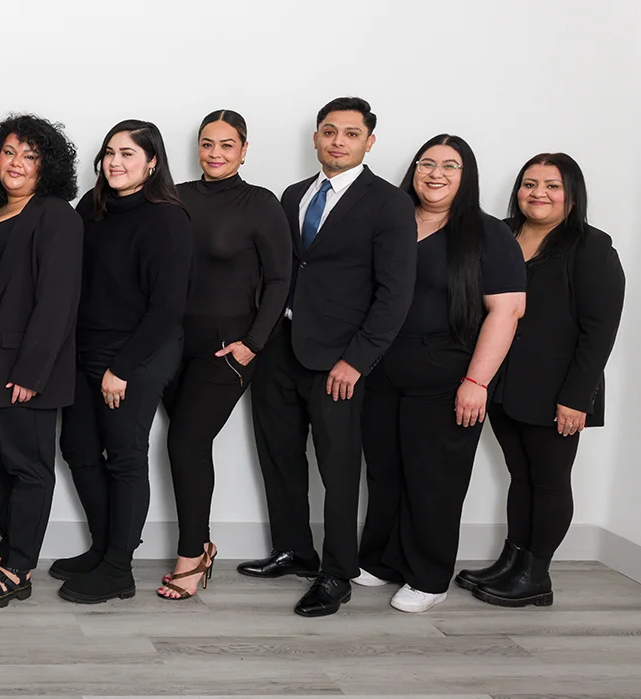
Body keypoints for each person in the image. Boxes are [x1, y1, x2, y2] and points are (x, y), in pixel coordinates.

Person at [238, 96, 416, 617]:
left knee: (338, 471)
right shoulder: (294, 194)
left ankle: (338, 572)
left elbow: (394, 294)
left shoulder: (388, 203)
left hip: (340, 360)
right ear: (315, 137)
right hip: (280, 350)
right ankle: (294, 550)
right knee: (279, 456)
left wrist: (357, 361)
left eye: (351, 133)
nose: (338, 141)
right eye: (329, 131)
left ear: (369, 142)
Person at [354, 135, 526, 613]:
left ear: (466, 176)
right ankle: (382, 560)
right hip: (380, 369)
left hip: (446, 374)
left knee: (434, 480)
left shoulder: (487, 234)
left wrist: (476, 382)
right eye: (426, 163)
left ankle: (428, 578)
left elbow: (507, 311)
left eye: (450, 166)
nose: (436, 173)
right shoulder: (389, 222)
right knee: (385, 472)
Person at [458, 153, 624, 608]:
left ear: (571, 194)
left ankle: (536, 577)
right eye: (530, 183)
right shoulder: (501, 234)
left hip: (558, 390)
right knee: (521, 476)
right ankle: (511, 563)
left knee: (549, 481)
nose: (539, 193)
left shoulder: (591, 246)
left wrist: (577, 398)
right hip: (502, 383)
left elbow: (599, 332)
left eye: (552, 186)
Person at [53, 120, 191, 605]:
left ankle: (118, 569)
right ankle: (102, 547)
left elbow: (167, 309)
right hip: (84, 348)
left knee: (125, 456)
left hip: (139, 352)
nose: (115, 162)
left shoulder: (167, 219)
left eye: (128, 153)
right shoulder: (90, 209)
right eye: (110, 152)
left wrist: (123, 368)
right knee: (78, 449)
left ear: (152, 162)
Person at [158, 110, 291, 600]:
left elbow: (280, 279)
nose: (215, 153)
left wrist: (252, 344)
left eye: (227, 144)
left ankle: (191, 555)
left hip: (226, 349)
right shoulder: (176, 197)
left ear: (244, 150)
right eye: (207, 143)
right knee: (189, 447)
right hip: (172, 345)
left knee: (184, 443)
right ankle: (203, 544)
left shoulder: (260, 203)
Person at [0, 114, 82, 610]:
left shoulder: (55, 215)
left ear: (47, 167)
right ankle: (8, 551)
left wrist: (32, 372)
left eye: (30, 156)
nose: (16, 163)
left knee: (29, 469)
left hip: (22, 369)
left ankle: (20, 568)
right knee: (6, 463)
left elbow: (57, 301)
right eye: (9, 152)